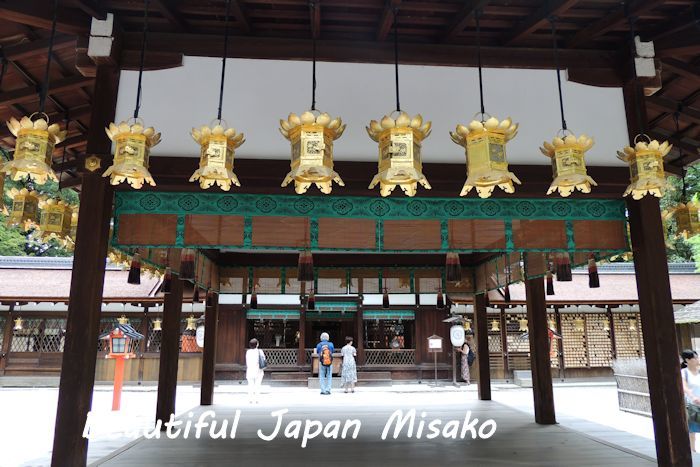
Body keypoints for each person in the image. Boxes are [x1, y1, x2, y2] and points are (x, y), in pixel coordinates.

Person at [681, 349, 700, 451]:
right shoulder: (684, 372)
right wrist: (693, 397)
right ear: (687, 360)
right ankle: (693, 451)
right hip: (691, 405)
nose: (697, 359)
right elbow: (684, 387)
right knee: (692, 429)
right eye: (695, 358)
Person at [245, 338, 265, 404]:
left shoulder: (248, 352)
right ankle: (257, 399)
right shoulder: (260, 351)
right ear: (257, 345)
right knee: (257, 385)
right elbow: (263, 360)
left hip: (250, 370)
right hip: (258, 371)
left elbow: (247, 361)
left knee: (250, 385)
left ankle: (250, 399)